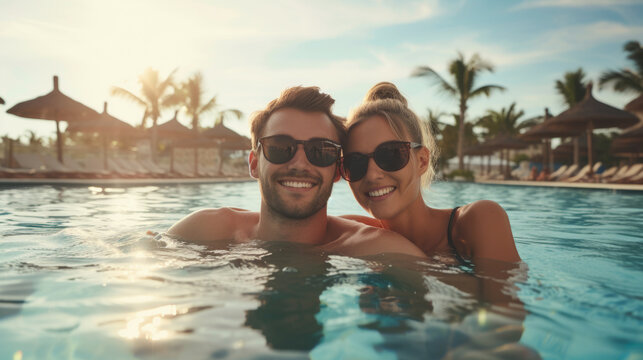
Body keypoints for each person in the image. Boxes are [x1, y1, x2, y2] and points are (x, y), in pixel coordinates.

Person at [167, 86, 426, 258]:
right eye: (280, 147)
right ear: (255, 163)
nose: (300, 164)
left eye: (321, 150)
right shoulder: (204, 230)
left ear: (337, 169)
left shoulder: (378, 250)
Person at [340, 82, 521, 263]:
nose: (372, 175)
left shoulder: (478, 221)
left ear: (422, 161)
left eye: (390, 154)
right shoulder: (351, 231)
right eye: (355, 162)